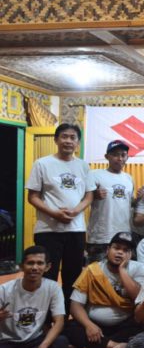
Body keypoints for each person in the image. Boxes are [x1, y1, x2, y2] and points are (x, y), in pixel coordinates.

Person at [26, 123, 95, 308]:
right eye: (64, 136)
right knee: (47, 274)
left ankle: (67, 315)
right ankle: (46, 316)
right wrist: (54, 214)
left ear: (77, 142)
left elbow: (89, 196)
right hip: (48, 230)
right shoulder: (42, 163)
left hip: (76, 230)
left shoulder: (83, 165)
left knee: (73, 275)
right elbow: (32, 197)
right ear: (56, 140)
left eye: (73, 137)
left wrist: (76, 211)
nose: (68, 141)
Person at [64, 232, 144, 348]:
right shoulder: (92, 270)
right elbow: (75, 306)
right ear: (108, 250)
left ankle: (93, 346)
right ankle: (113, 345)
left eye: (125, 250)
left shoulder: (138, 268)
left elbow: (138, 297)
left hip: (124, 325)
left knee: (143, 328)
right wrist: (89, 325)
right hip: (95, 324)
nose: (120, 253)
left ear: (130, 254)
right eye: (116, 248)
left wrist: (122, 270)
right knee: (69, 328)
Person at [0, 246, 68, 348]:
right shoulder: (4, 290)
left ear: (47, 267)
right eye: (30, 263)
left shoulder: (53, 288)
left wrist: (43, 347)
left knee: (61, 342)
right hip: (7, 342)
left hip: (35, 340)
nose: (35, 268)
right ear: (21, 266)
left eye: (40, 263)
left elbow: (59, 322)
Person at [86, 139, 134, 263]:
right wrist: (94, 195)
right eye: (115, 155)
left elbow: (129, 204)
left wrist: (139, 198)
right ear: (107, 156)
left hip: (123, 234)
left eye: (123, 155)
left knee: (121, 272)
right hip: (100, 236)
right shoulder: (94, 174)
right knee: (96, 273)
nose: (120, 158)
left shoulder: (129, 179)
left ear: (127, 157)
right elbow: (83, 199)